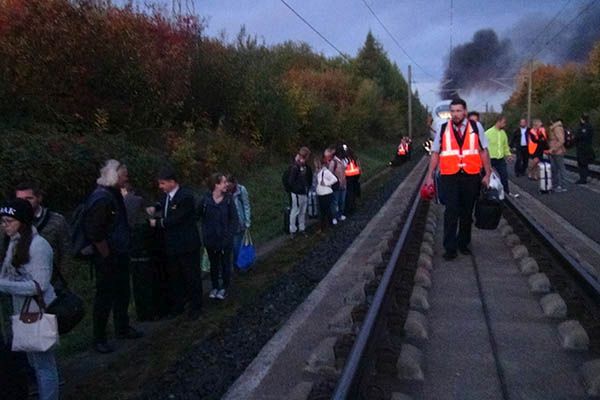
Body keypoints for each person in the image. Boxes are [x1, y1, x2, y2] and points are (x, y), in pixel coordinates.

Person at [0, 198, 59, 399]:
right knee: (33, 362)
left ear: (23, 221)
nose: (4, 225)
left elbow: (39, 285)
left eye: (9, 221)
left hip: (37, 310)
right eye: (3, 221)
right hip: (22, 309)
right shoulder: (14, 242)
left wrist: (4, 285)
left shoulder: (39, 246)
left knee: (43, 364)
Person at [83, 160, 142, 354]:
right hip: (108, 257)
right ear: (114, 177)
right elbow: (95, 232)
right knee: (105, 296)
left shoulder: (113, 194)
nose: (127, 178)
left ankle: (122, 327)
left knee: (122, 292)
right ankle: (99, 338)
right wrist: (106, 254)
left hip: (120, 252)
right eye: (124, 175)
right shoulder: (102, 198)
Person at [425, 98, 492, 260]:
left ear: (465, 112)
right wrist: (430, 175)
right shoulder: (443, 129)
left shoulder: (476, 128)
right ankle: (450, 248)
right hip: (450, 176)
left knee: (467, 212)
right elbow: (435, 153)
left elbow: (483, 151)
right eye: (453, 111)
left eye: (458, 111)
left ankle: (463, 243)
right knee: (451, 211)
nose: (455, 114)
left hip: (470, 176)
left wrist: (488, 174)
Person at [149, 167, 202, 319]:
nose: (161, 187)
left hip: (187, 244)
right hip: (172, 245)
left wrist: (157, 223)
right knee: (176, 277)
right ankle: (179, 305)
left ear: (172, 182)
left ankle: (196, 306)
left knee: (191, 276)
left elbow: (176, 219)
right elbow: (162, 206)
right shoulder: (166, 197)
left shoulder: (185, 196)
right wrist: (155, 208)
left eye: (163, 183)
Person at [14, 183, 72, 287]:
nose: (24, 203)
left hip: (51, 281)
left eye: (29, 198)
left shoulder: (56, 221)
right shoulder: (9, 223)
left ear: (39, 198)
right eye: (20, 199)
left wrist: (63, 281)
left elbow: (66, 252)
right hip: (19, 282)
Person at [199, 173, 238, 301]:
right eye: (223, 182)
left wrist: (229, 235)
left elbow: (234, 219)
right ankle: (215, 286)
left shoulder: (228, 200)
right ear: (216, 184)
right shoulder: (205, 200)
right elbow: (198, 216)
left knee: (225, 264)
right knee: (214, 264)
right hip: (211, 240)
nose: (226, 184)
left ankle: (224, 287)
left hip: (225, 239)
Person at [485, 115, 514, 196]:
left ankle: (507, 194)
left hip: (500, 159)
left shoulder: (503, 133)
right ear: (498, 121)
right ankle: (488, 194)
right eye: (504, 122)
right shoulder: (488, 133)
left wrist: (508, 155)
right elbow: (484, 148)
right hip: (490, 159)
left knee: (504, 176)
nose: (505, 125)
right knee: (490, 178)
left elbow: (505, 146)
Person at [227, 175, 251, 269]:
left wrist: (247, 221)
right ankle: (238, 265)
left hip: (240, 222)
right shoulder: (225, 192)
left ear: (234, 183)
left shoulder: (241, 190)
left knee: (239, 245)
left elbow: (246, 205)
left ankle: (240, 265)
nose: (228, 187)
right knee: (235, 246)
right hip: (230, 224)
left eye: (230, 185)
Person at [287, 147, 312, 237]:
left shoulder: (305, 166)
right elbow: (291, 181)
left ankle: (302, 228)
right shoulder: (295, 166)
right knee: (295, 211)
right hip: (297, 193)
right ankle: (292, 230)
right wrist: (297, 188)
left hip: (304, 192)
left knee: (303, 211)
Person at [315, 155, 338, 233]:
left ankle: (327, 225)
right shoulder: (320, 172)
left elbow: (334, 179)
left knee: (326, 210)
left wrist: (326, 183)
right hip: (320, 194)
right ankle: (324, 226)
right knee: (323, 210)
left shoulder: (326, 172)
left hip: (326, 193)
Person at [326, 146, 347, 224]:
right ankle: (334, 216)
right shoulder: (333, 162)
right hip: (336, 185)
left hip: (343, 184)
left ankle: (340, 215)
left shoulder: (342, 161)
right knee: (335, 202)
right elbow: (330, 173)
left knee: (342, 201)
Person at [548, 117, 567, 192]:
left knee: (561, 168)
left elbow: (561, 140)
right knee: (554, 168)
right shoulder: (554, 128)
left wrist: (553, 148)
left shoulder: (557, 128)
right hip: (554, 151)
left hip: (557, 152)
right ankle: (555, 185)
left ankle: (563, 186)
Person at [576, 113, 595, 184]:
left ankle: (583, 179)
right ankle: (584, 177)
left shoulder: (583, 128)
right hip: (587, 147)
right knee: (584, 163)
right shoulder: (590, 126)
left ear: (582, 119)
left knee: (582, 163)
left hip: (582, 148)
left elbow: (580, 137)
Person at [342, 144, 361, 215]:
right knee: (354, 192)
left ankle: (349, 208)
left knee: (349, 193)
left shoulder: (345, 158)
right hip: (356, 175)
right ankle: (353, 206)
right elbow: (359, 166)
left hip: (348, 176)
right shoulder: (354, 157)